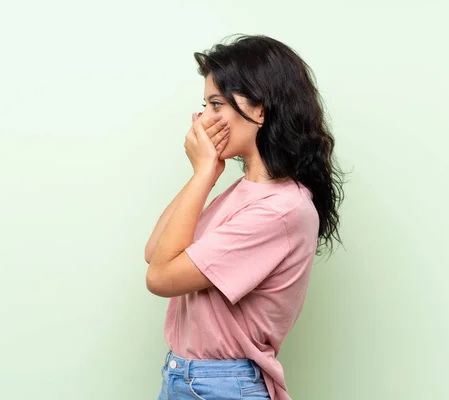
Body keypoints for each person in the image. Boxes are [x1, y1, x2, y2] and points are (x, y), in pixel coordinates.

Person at [144, 34, 344, 400]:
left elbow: (159, 277)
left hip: (221, 386)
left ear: (260, 110)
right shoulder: (241, 193)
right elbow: (155, 251)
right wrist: (204, 175)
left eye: (216, 104)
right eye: (204, 105)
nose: (203, 119)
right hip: (185, 377)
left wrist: (204, 172)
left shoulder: (280, 209)